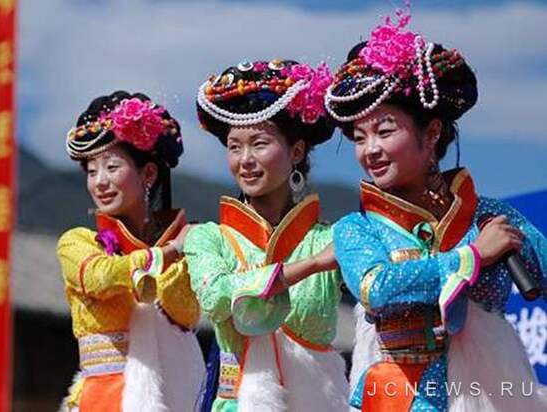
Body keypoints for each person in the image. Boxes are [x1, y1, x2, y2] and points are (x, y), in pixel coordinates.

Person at [326, 6, 547, 411]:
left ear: (432, 133)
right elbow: (377, 288)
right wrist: (474, 256)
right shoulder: (356, 229)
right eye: (360, 137)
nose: (369, 149)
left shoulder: (489, 217)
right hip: (397, 397)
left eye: (385, 130)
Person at [185, 59, 350, 411]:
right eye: (234, 146)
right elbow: (216, 295)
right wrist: (312, 265)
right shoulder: (209, 239)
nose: (245, 159)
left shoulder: (334, 236)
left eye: (259, 143)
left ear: (297, 151)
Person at [56, 91, 205, 411]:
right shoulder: (79, 243)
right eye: (91, 171)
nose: (100, 182)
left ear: (148, 173)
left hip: (174, 397)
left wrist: (183, 248)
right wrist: (168, 253)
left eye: (111, 166)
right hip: (104, 399)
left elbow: (186, 313)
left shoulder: (189, 243)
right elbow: (99, 276)